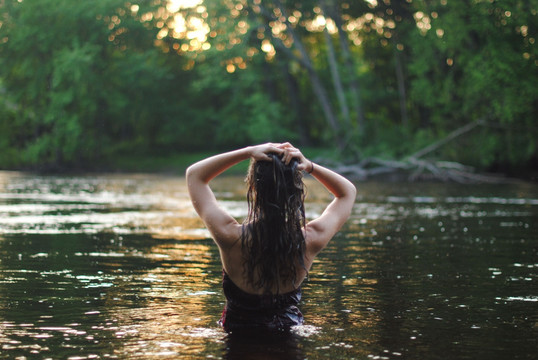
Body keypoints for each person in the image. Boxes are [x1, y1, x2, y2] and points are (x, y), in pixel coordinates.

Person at [186, 142, 356, 332]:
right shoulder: (310, 240)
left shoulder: (229, 235)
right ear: (295, 192)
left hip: (238, 343)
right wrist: (309, 166)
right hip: (287, 342)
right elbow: (347, 193)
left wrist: (248, 152)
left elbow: (195, 175)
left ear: (254, 188)